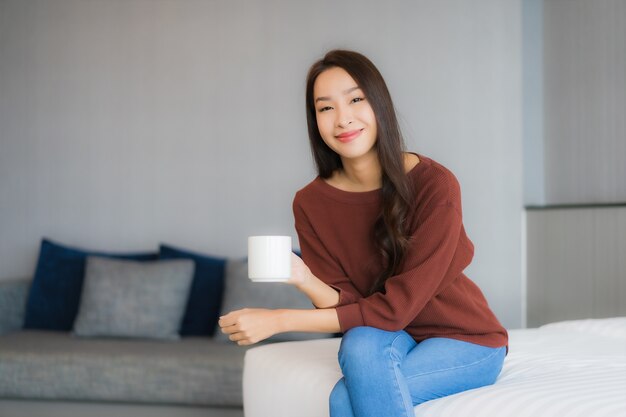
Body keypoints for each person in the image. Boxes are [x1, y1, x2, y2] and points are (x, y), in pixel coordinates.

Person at [219, 49, 508, 417]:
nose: (343, 119)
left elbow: (395, 308)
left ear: (379, 104)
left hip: (465, 339)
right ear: (315, 121)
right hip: (390, 334)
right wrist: (304, 278)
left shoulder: (434, 184)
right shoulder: (310, 203)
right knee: (358, 344)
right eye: (326, 108)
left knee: (342, 399)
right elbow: (351, 307)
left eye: (356, 99)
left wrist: (279, 319)